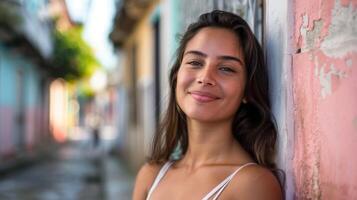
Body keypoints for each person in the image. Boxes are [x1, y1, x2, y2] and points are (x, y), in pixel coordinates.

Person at [133, 10, 283, 200]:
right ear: (177, 77)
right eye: (195, 62)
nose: (205, 78)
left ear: (247, 90)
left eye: (226, 68)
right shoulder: (150, 176)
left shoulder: (253, 185)